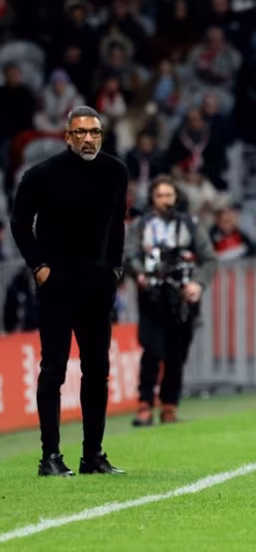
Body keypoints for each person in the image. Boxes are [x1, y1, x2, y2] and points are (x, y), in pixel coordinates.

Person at [10, 106, 128, 477]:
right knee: (54, 370)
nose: (88, 139)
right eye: (80, 133)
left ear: (101, 135)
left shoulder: (115, 171)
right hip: (57, 286)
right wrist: (39, 268)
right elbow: (18, 224)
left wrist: (115, 268)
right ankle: (50, 456)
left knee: (98, 371)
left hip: (97, 286)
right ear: (67, 136)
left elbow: (118, 224)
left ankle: (92, 456)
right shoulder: (42, 175)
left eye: (94, 132)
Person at [125, 175, 217, 426]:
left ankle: (169, 405)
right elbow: (129, 255)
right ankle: (144, 404)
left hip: (183, 298)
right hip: (152, 296)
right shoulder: (140, 225)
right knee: (152, 350)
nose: (166, 200)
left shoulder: (190, 224)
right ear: (152, 199)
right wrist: (140, 274)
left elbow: (209, 258)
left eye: (169, 195)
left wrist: (197, 284)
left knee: (177, 354)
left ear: (176, 197)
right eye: (160, 195)